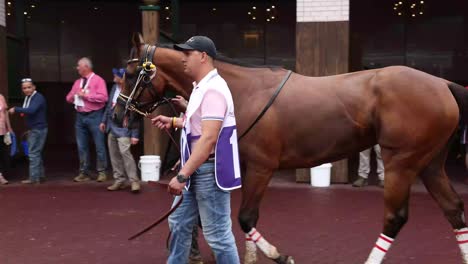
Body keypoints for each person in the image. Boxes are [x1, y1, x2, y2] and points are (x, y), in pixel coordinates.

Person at [152, 36, 241, 264]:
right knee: (179, 222)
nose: (183, 59)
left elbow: (209, 138)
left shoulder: (213, 91)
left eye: (188, 54)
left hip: (205, 171)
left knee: (218, 236)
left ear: (203, 57)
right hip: (198, 169)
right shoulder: (203, 88)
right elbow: (201, 126)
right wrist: (174, 121)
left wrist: (182, 175)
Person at [66, 57, 108, 182]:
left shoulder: (98, 80)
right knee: (81, 146)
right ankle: (84, 172)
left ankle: (102, 172)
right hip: (80, 116)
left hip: (95, 115)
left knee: (99, 144)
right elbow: (68, 98)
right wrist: (74, 96)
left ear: (86, 67)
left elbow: (104, 98)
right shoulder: (77, 82)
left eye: (79, 66)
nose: (77, 68)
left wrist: (87, 96)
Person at [100, 68, 141, 193]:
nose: (114, 76)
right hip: (111, 126)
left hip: (124, 128)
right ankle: (119, 180)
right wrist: (103, 121)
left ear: (122, 78)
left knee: (125, 153)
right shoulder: (114, 88)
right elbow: (108, 106)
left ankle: (134, 180)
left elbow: (135, 114)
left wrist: (135, 134)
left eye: (116, 75)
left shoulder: (130, 91)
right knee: (114, 155)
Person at [8, 78, 47, 184]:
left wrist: (16, 109)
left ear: (34, 87)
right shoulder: (29, 98)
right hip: (35, 128)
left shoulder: (38, 97)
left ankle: (34, 178)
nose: (26, 90)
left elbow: (31, 110)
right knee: (36, 152)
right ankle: (40, 176)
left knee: (33, 153)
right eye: (24, 88)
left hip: (37, 129)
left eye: (29, 87)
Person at [0, 92, 12, 185]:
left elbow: (6, 113)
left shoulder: (1, 97)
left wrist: (9, 127)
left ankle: (1, 175)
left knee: (2, 153)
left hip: (2, 130)